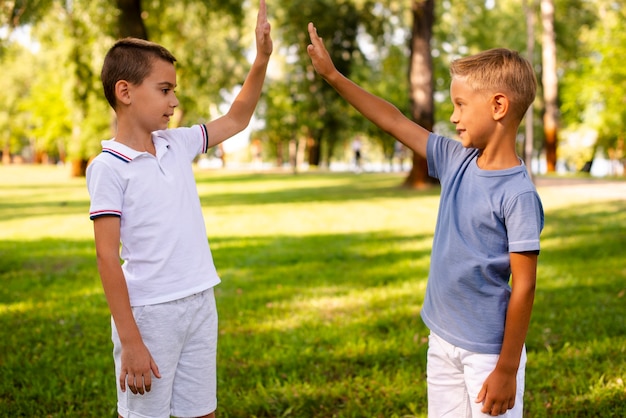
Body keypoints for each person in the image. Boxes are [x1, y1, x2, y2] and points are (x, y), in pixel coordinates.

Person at [307, 23, 543, 418]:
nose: (453, 117)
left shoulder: (517, 194)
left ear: (498, 107)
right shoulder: (456, 160)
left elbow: (525, 286)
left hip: (488, 353)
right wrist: (333, 76)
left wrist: (507, 367)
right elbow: (395, 121)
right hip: (442, 338)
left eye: (461, 105)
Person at [86, 2, 272, 417]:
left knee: (201, 411)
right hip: (151, 316)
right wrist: (131, 339)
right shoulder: (108, 168)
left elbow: (237, 117)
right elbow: (105, 257)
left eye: (174, 91)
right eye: (165, 89)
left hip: (200, 300)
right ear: (125, 91)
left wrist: (260, 60)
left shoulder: (177, 143)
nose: (174, 100)